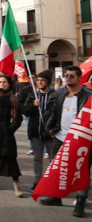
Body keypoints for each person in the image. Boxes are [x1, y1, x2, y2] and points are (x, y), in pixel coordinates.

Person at [40, 65, 92, 217]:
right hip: (60, 137)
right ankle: (56, 196)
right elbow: (54, 112)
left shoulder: (88, 96)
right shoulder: (61, 93)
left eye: (71, 76)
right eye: (66, 75)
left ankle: (80, 202)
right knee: (57, 167)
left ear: (79, 78)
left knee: (81, 171)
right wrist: (49, 128)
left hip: (80, 140)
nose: (68, 78)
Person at [22, 70, 56, 192]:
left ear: (48, 82)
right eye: (38, 80)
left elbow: (58, 114)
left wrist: (54, 129)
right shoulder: (33, 95)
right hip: (36, 132)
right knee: (37, 158)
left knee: (53, 160)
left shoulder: (54, 96)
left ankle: (52, 182)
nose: (39, 82)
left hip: (50, 133)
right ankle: (37, 181)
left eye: (42, 80)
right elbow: (25, 111)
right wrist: (33, 105)